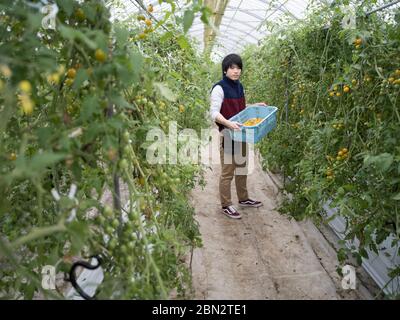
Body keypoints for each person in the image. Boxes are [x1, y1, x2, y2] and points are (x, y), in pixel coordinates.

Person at [210, 53, 266, 219]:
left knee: (242, 168)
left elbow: (240, 109)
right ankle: (226, 205)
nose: (236, 71)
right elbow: (213, 113)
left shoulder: (240, 87)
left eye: (238, 67)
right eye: (232, 68)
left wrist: (254, 106)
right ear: (225, 70)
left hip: (241, 134)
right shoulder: (219, 88)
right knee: (227, 172)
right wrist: (228, 123)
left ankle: (243, 199)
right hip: (228, 135)